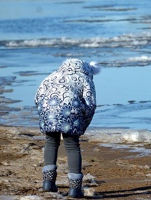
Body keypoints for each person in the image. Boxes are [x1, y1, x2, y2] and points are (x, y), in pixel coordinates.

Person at [34, 58, 100, 198]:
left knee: (51, 141)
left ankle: (48, 182)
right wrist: (83, 124)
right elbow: (90, 104)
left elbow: (37, 97)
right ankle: (75, 189)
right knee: (72, 145)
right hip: (70, 111)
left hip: (48, 109)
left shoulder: (52, 76)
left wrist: (45, 113)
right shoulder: (85, 79)